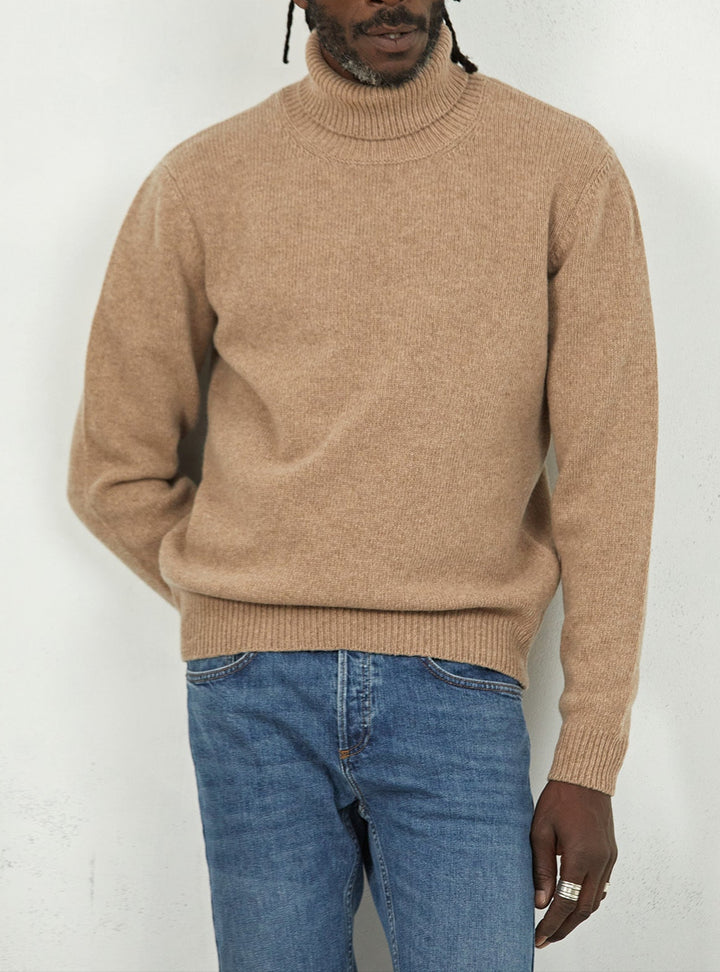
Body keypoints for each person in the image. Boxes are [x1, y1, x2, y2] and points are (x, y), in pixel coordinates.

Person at [66, 1, 658, 969]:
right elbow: (112, 470)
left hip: (459, 689)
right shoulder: (205, 178)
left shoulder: (561, 165)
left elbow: (610, 477)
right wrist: (239, 590)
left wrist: (590, 758)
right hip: (250, 694)